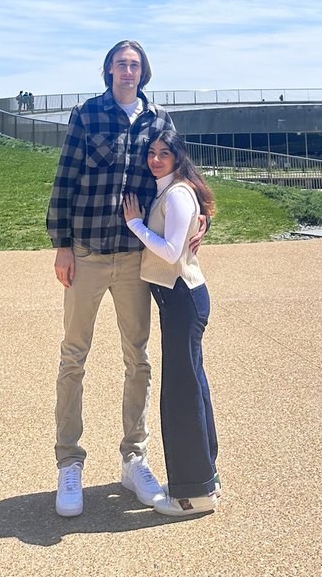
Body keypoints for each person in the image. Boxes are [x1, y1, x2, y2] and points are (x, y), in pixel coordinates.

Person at [46, 40, 204, 518]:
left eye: (135, 65)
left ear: (144, 72)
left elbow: (183, 174)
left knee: (138, 359)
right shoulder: (88, 115)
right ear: (109, 70)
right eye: (121, 64)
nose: (128, 71)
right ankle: (68, 462)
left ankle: (133, 458)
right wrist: (62, 243)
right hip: (90, 253)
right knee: (74, 357)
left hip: (137, 260)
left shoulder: (159, 119)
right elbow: (65, 177)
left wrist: (201, 218)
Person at [123, 129, 220, 517]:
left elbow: (170, 250)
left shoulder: (177, 193)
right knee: (192, 386)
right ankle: (204, 480)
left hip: (182, 297)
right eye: (152, 152)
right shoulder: (169, 191)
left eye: (165, 153)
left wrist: (134, 223)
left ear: (178, 157)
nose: (156, 158)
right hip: (179, 299)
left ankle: (192, 496)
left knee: (181, 392)